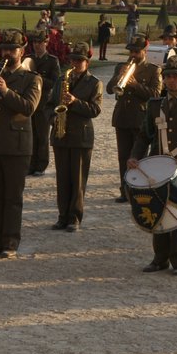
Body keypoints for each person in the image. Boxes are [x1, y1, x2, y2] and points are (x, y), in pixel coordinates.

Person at [130, 53, 177, 274]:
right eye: (168, 76)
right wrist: (135, 156)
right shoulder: (155, 105)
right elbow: (144, 136)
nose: (172, 80)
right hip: (157, 168)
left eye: (176, 76)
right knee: (158, 211)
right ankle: (159, 258)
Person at [0, 31, 43, 258]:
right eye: (4, 48)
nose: (7, 53)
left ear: (21, 52)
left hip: (16, 145)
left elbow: (28, 107)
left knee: (12, 197)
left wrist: (5, 91)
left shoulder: (32, 78)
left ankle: (10, 243)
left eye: (12, 49)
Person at [50, 43, 102, 231]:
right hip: (60, 134)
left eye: (79, 60)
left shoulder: (94, 83)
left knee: (78, 179)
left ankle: (75, 217)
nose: (75, 63)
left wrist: (74, 102)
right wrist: (53, 117)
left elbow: (95, 110)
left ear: (87, 63)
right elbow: (49, 104)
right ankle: (62, 216)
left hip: (81, 137)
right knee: (62, 179)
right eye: (73, 60)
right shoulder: (61, 80)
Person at [109, 35, 161, 204]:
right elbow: (110, 89)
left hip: (140, 118)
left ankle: (139, 190)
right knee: (123, 157)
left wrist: (134, 84)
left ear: (144, 51)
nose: (132, 54)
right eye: (131, 51)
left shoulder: (153, 70)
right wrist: (120, 76)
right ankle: (125, 190)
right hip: (122, 117)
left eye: (136, 51)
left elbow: (155, 94)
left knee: (139, 157)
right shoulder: (121, 66)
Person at [26, 28, 62, 178]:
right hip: (29, 100)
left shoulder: (52, 61)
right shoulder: (28, 59)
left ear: (46, 43)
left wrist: (38, 78)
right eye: (35, 42)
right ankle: (30, 164)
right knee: (30, 134)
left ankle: (41, 164)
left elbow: (56, 82)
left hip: (44, 101)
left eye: (40, 42)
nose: (37, 45)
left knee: (42, 135)